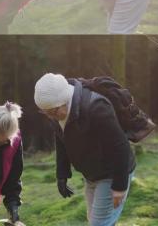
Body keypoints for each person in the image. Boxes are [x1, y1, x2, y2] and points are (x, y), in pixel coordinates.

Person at [34, 73, 136, 226]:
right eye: (45, 113)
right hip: (92, 175)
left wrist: (120, 186)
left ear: (63, 101)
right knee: (98, 221)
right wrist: (62, 174)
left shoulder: (96, 108)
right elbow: (62, 141)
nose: (50, 117)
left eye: (52, 112)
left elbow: (120, 146)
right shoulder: (56, 114)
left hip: (112, 173)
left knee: (98, 223)